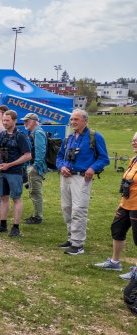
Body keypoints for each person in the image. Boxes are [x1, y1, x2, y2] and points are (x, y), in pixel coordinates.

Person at [56, 109, 110, 255]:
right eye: (72, 119)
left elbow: (104, 159)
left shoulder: (94, 136)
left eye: (76, 119)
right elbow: (59, 156)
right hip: (66, 177)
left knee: (79, 209)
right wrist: (61, 166)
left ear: (85, 121)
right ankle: (71, 238)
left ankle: (78, 244)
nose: (73, 122)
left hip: (81, 177)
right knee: (66, 208)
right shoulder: (69, 137)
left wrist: (92, 168)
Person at [94, 132, 137, 279]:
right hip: (126, 203)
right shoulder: (134, 159)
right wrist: (121, 202)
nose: (134, 143)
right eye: (133, 140)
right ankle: (114, 262)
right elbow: (127, 184)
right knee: (117, 229)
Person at [0, 110, 31, 237]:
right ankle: (2, 224)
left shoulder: (21, 136)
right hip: (1, 170)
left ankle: (16, 227)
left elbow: (28, 156)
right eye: (4, 120)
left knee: (16, 198)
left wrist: (10, 165)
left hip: (15, 172)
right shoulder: (2, 135)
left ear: (14, 121)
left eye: (7, 120)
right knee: (3, 197)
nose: (5, 123)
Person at [22, 113, 48, 225]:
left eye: (26, 121)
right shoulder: (35, 132)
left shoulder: (38, 132)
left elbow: (40, 151)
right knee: (33, 191)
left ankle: (38, 217)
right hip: (33, 166)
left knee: (36, 192)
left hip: (36, 167)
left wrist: (35, 166)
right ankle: (35, 215)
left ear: (33, 121)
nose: (24, 123)